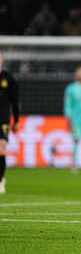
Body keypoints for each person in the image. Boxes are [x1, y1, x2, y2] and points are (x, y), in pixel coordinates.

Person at [0, 54, 19, 194]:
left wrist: (16, 120)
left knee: (1, 148)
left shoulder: (8, 78)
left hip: (3, 119)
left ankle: (1, 180)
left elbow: (14, 101)